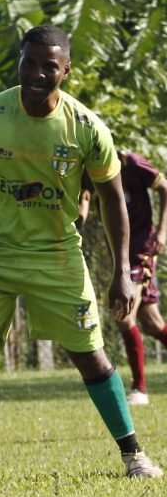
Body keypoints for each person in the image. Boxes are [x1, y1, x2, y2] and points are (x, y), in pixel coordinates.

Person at [0, 25, 163, 485]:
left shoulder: (86, 127)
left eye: (49, 65)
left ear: (66, 70)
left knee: (92, 356)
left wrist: (123, 271)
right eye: (30, 62)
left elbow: (112, 199)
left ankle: (135, 456)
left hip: (57, 255)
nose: (37, 73)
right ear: (20, 63)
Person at [77, 151, 167, 405]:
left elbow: (165, 188)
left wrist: (162, 232)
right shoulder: (87, 168)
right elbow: (84, 197)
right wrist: (77, 225)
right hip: (122, 254)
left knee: (124, 316)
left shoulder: (133, 163)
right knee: (152, 324)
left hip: (141, 249)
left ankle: (140, 389)